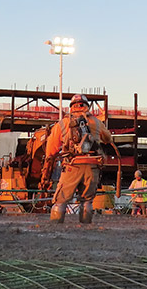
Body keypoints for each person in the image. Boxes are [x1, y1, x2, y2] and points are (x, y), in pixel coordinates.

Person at [47, 94, 117, 224]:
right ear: (87, 106)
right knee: (87, 201)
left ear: (71, 107)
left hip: (72, 166)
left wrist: (49, 159)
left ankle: (55, 229)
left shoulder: (63, 123)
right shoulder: (96, 122)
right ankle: (85, 230)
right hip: (92, 166)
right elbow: (108, 138)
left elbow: (51, 148)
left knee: (61, 200)